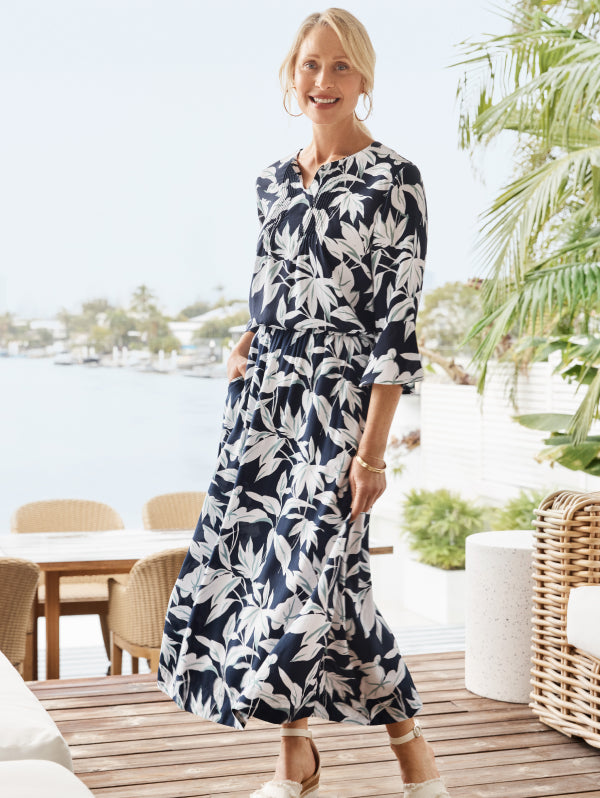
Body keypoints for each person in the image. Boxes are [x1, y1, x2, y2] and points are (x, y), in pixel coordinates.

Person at [157, 7, 450, 798]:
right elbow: (271, 292)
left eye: (340, 68)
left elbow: (396, 326)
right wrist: (244, 344)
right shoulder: (272, 182)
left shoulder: (397, 181)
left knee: (324, 576)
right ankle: (308, 757)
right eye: (310, 66)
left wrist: (373, 452)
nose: (323, 82)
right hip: (265, 405)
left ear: (366, 79)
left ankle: (399, 750)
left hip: (340, 412)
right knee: (277, 578)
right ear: (292, 75)